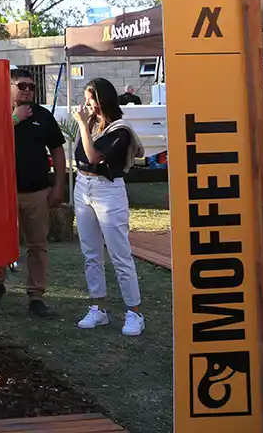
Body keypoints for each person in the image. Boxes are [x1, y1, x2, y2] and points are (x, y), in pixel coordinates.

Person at [0, 68, 66, 317]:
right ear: (8, 87)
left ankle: (36, 296)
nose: (29, 91)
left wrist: (58, 186)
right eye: (22, 86)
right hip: (2, 193)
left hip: (36, 191)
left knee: (37, 244)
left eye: (32, 87)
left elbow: (58, 150)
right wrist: (15, 119)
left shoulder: (43, 115)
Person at [72, 77, 145, 337]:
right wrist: (85, 124)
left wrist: (81, 124)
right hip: (83, 186)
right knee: (91, 252)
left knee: (119, 253)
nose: (86, 104)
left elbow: (93, 156)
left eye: (91, 99)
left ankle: (134, 312)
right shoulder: (91, 124)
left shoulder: (120, 130)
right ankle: (98, 307)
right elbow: (81, 158)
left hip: (108, 190)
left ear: (102, 100)